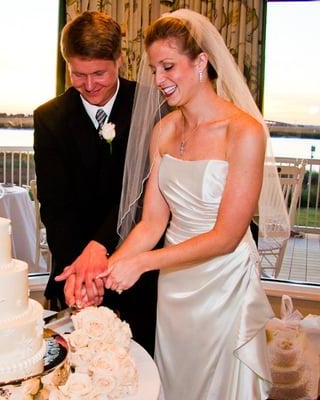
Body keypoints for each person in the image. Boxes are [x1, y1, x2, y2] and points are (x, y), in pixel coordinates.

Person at [99, 9, 290, 399]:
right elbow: (152, 223)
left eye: (168, 66)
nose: (159, 80)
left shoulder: (244, 132)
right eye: (154, 69)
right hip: (175, 286)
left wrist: (143, 263)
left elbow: (225, 236)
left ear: (201, 62)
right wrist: (108, 268)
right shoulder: (164, 130)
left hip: (224, 285)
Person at [33, 11, 158, 356]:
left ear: (120, 59)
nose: (89, 86)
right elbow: (55, 207)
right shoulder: (49, 117)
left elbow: (147, 194)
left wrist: (100, 248)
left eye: (99, 73)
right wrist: (80, 274)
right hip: (76, 273)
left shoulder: (153, 105)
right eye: (78, 74)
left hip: (139, 270)